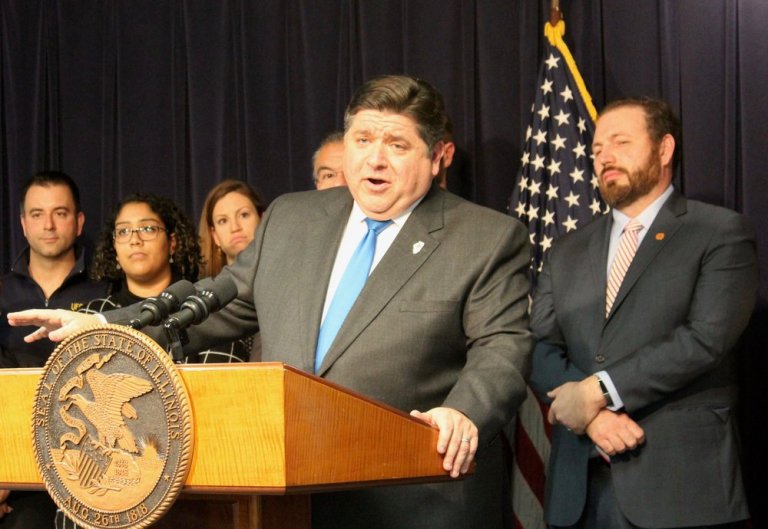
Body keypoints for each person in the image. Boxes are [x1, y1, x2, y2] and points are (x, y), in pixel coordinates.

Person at [9, 75, 533, 529]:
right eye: (363, 138)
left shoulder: (485, 239)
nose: (375, 158)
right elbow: (215, 308)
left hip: (412, 501)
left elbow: (502, 348)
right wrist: (103, 327)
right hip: (287, 500)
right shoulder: (292, 219)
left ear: (440, 155)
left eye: (397, 144)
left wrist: (463, 412)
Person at [529, 97, 758, 528]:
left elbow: (705, 339)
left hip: (678, 486)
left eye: (620, 143)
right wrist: (591, 418)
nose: (605, 158)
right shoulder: (567, 250)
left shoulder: (719, 233)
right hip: (577, 487)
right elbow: (539, 345)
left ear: (664, 149)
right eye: (597, 150)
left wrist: (597, 392)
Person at [0, 171, 106, 528]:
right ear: (22, 223)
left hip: (88, 457)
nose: (48, 224)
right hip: (13, 467)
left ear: (78, 223)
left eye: (60, 213)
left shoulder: (106, 292)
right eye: (36, 214)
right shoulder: (1, 292)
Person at [80, 193, 201, 314]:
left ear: (172, 243)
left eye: (148, 229)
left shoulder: (200, 308)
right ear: (114, 247)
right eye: (123, 231)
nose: (135, 240)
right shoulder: (92, 317)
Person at [197, 179, 265, 361]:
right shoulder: (205, 300)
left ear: (263, 218)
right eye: (223, 221)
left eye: (244, 215)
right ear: (214, 236)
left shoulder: (286, 286)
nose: (235, 228)